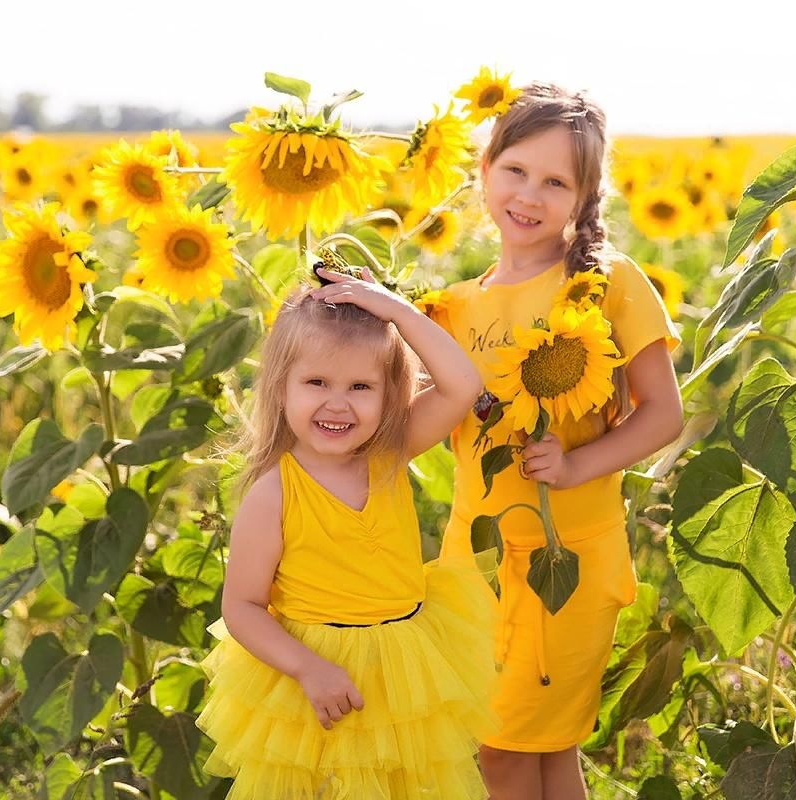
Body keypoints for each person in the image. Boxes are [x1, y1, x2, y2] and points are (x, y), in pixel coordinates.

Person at [426, 82, 684, 798]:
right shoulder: (458, 307)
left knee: (507, 750)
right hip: (475, 558)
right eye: (515, 170)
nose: (529, 195)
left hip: (566, 557)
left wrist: (578, 464)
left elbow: (663, 412)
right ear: (485, 169)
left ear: (584, 198)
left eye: (555, 181)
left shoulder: (606, 285)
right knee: (540, 753)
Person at [196, 269, 498, 800]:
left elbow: (462, 385)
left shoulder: (390, 453)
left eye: (361, 387)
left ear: (389, 394)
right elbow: (242, 606)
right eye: (317, 383)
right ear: (282, 387)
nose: (338, 404)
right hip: (314, 680)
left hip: (404, 675)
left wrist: (397, 312)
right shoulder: (275, 494)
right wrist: (308, 668)